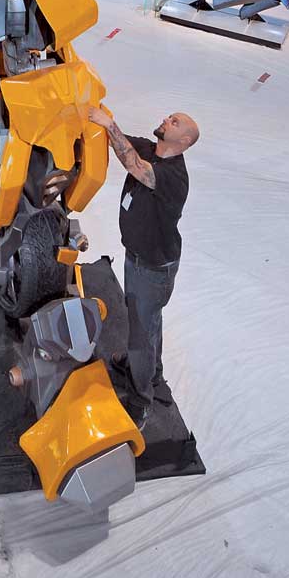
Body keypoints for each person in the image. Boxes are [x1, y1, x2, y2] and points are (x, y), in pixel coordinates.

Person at [88, 107, 199, 430]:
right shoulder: (152, 149)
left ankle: (140, 400)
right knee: (147, 322)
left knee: (141, 334)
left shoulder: (174, 176)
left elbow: (133, 165)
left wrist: (109, 123)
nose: (166, 119)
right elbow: (120, 143)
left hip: (152, 269)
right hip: (137, 257)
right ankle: (152, 370)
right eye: (169, 116)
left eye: (175, 122)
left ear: (184, 140)